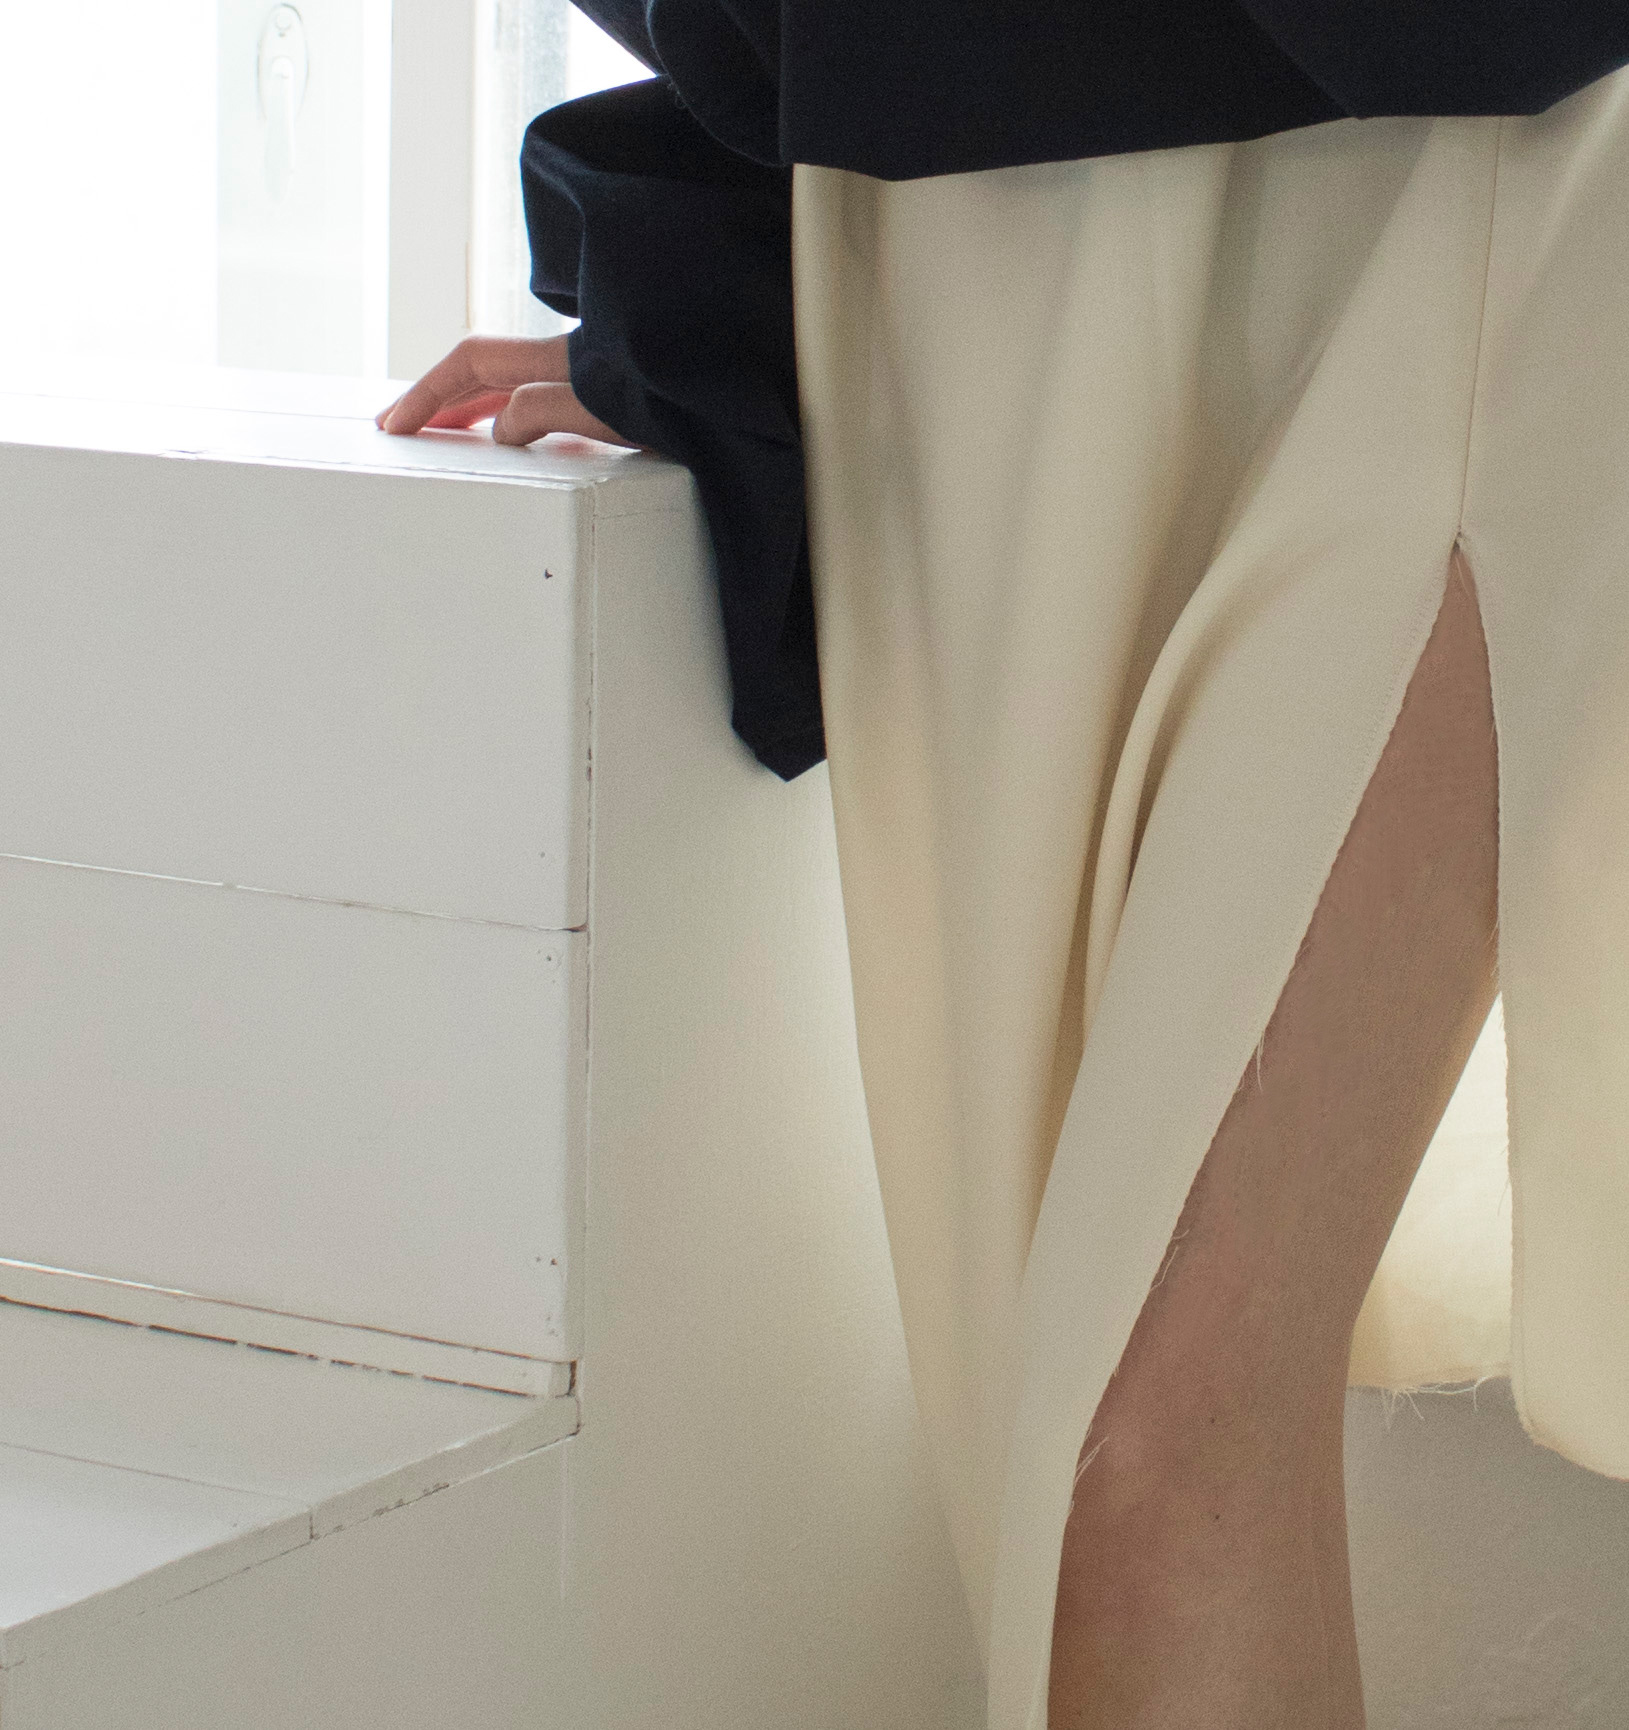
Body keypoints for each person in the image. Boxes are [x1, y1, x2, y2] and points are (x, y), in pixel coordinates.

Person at [380, 9, 1629, 1725]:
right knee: (1033, 1458)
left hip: (1494, 167)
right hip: (974, 239)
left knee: (1141, 1452)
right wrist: (720, 264)